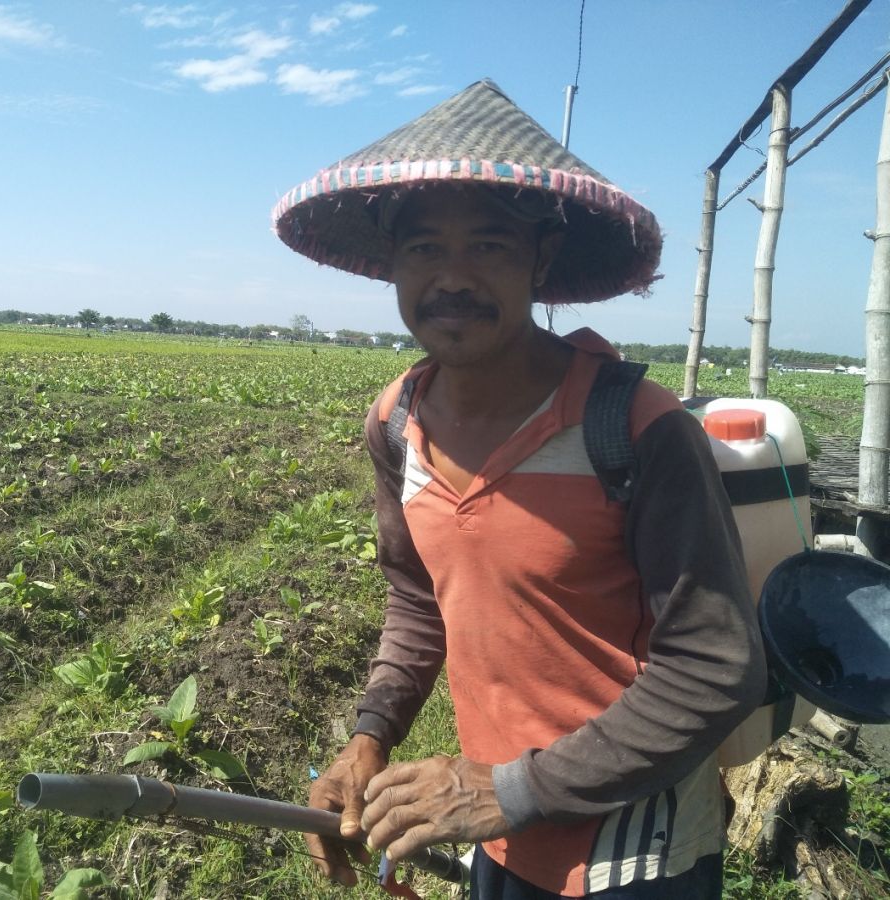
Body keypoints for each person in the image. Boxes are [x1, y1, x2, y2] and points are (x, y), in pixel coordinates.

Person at [271, 79, 767, 898]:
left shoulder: (637, 427)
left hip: (632, 852)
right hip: (494, 837)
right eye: (423, 248)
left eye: (490, 247)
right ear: (392, 263)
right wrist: (370, 738)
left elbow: (715, 666)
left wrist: (506, 791)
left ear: (541, 259)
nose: (452, 278)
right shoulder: (397, 420)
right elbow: (419, 598)